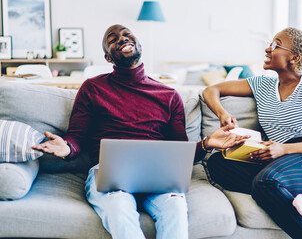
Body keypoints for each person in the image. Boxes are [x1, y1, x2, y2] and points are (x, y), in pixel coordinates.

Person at [32, 24, 248, 239]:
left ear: (138, 44)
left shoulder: (169, 95)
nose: (122, 39)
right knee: (118, 208)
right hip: (110, 174)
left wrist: (207, 143)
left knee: (175, 209)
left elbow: (180, 151)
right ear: (108, 58)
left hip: (158, 174)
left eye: (126, 34)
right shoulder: (92, 88)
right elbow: (76, 136)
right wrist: (67, 147)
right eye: (112, 39)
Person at [202, 27, 302, 239]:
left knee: (265, 183)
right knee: (217, 164)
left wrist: (284, 149)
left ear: (294, 58)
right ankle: (290, 198)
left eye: (276, 45)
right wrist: (222, 113)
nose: (268, 49)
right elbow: (211, 90)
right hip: (275, 159)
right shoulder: (262, 84)